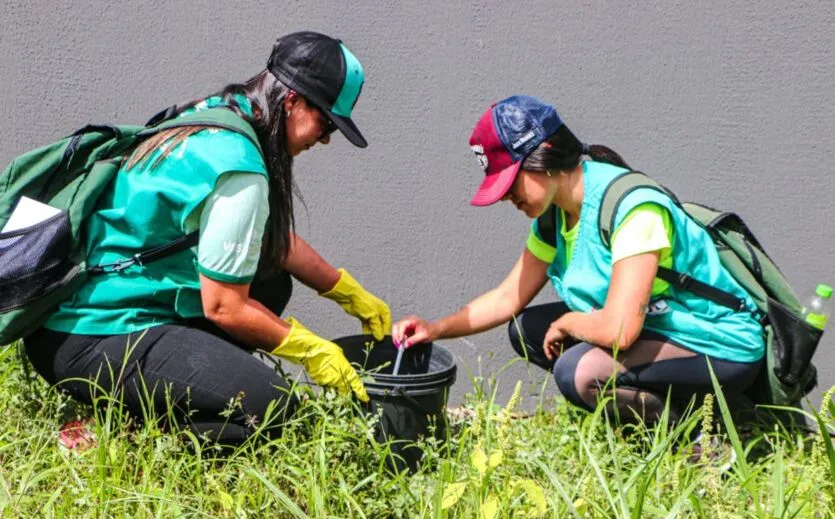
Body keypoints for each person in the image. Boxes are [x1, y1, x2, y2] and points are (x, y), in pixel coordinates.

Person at [23, 31, 391, 445]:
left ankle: (167, 396)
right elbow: (224, 307)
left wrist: (344, 290)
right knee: (275, 410)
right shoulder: (241, 168)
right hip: (90, 339)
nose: (325, 138)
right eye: (327, 123)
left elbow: (267, 239)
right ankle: (126, 442)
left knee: (269, 283)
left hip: (68, 321)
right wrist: (312, 350)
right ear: (293, 101)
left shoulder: (218, 114)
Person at [393, 95, 764, 426]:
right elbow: (507, 298)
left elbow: (620, 332)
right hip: (662, 329)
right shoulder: (554, 218)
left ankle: (703, 432)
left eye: (511, 184)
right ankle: (664, 414)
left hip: (720, 342)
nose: (508, 198)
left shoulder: (633, 208)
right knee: (528, 330)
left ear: (546, 154)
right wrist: (435, 329)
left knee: (577, 373)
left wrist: (569, 321)